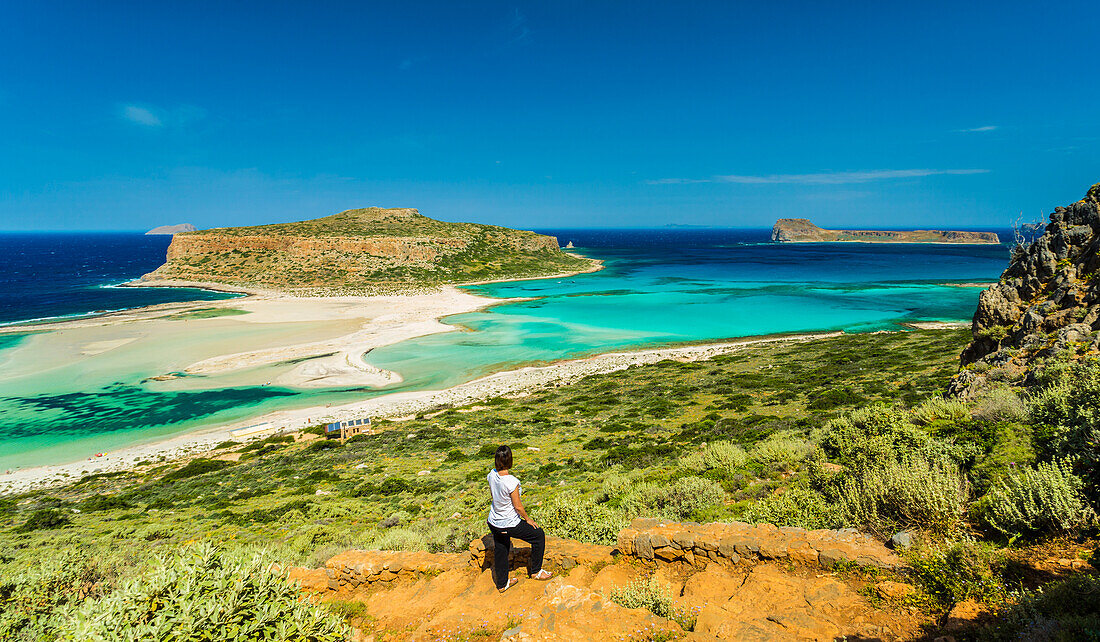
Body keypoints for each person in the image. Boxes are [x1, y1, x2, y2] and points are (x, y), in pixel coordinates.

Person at [486, 444, 552, 593]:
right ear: (510, 461)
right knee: (538, 535)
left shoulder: (491, 475)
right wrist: (528, 519)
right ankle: (536, 571)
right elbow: (518, 507)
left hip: (494, 521)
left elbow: (493, 495)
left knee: (501, 548)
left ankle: (502, 584)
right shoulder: (512, 482)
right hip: (508, 523)